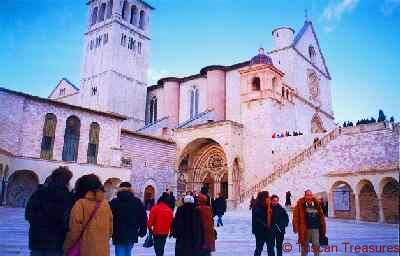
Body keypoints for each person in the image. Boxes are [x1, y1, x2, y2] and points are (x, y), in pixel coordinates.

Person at [25, 167, 74, 256]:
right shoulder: (68, 198)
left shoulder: (39, 193)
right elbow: (68, 222)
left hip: (37, 241)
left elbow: (28, 215)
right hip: (57, 244)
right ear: (67, 181)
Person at [64, 174, 113, 256]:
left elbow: (74, 231)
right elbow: (110, 229)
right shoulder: (105, 204)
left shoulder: (80, 204)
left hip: (84, 250)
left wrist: (67, 247)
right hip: (102, 250)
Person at [110, 182, 147, 256]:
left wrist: (109, 231)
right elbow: (143, 217)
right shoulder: (137, 201)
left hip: (118, 233)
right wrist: (143, 230)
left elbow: (109, 218)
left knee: (119, 252)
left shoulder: (114, 202)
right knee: (128, 252)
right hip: (132, 232)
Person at [293, 189, 326, 256]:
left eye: (310, 195)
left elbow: (321, 216)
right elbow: (295, 217)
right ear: (305, 196)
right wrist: (296, 227)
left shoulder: (317, 204)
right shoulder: (300, 205)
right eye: (307, 195)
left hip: (315, 229)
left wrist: (322, 227)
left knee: (316, 247)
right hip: (305, 230)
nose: (309, 197)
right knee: (304, 248)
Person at [252, 191, 274, 256]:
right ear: (264, 198)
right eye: (267, 196)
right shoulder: (258, 206)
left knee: (270, 249)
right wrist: (266, 225)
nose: (269, 198)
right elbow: (257, 219)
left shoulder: (269, 205)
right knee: (259, 248)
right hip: (260, 232)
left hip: (269, 231)